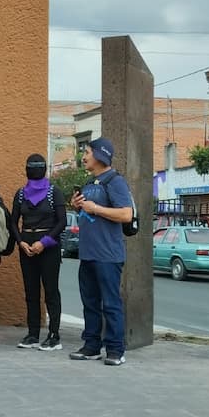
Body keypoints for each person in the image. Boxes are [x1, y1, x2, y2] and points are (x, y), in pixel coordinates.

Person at [68, 138, 134, 366]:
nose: (83, 157)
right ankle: (91, 346)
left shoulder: (115, 181)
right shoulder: (90, 182)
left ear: (99, 155)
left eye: (86, 152)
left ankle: (116, 349)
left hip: (108, 256)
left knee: (111, 303)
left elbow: (126, 214)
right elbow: (86, 211)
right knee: (90, 303)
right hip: (87, 254)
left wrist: (95, 208)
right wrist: (76, 204)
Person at [10, 154, 66, 351]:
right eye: (30, 167)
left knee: (51, 291)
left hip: (48, 247)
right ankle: (33, 334)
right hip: (27, 247)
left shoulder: (54, 192)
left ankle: (54, 335)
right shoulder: (20, 194)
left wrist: (44, 242)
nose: (32, 171)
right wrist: (20, 242)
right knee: (31, 292)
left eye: (36, 167)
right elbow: (13, 221)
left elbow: (62, 222)